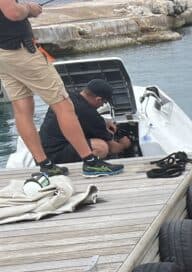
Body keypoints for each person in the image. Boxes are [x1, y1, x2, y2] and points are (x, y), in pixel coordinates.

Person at [0, 0, 122, 176]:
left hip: (3, 56)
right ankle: (90, 161)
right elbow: (13, 12)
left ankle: (45, 165)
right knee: (63, 105)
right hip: (19, 51)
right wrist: (30, 8)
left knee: (22, 110)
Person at [39, 78, 132, 164]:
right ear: (98, 99)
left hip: (43, 152)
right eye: (104, 102)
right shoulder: (90, 115)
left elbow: (83, 117)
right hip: (56, 155)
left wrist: (105, 122)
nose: (102, 105)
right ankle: (90, 165)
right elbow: (113, 148)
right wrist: (124, 145)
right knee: (101, 147)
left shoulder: (68, 97)